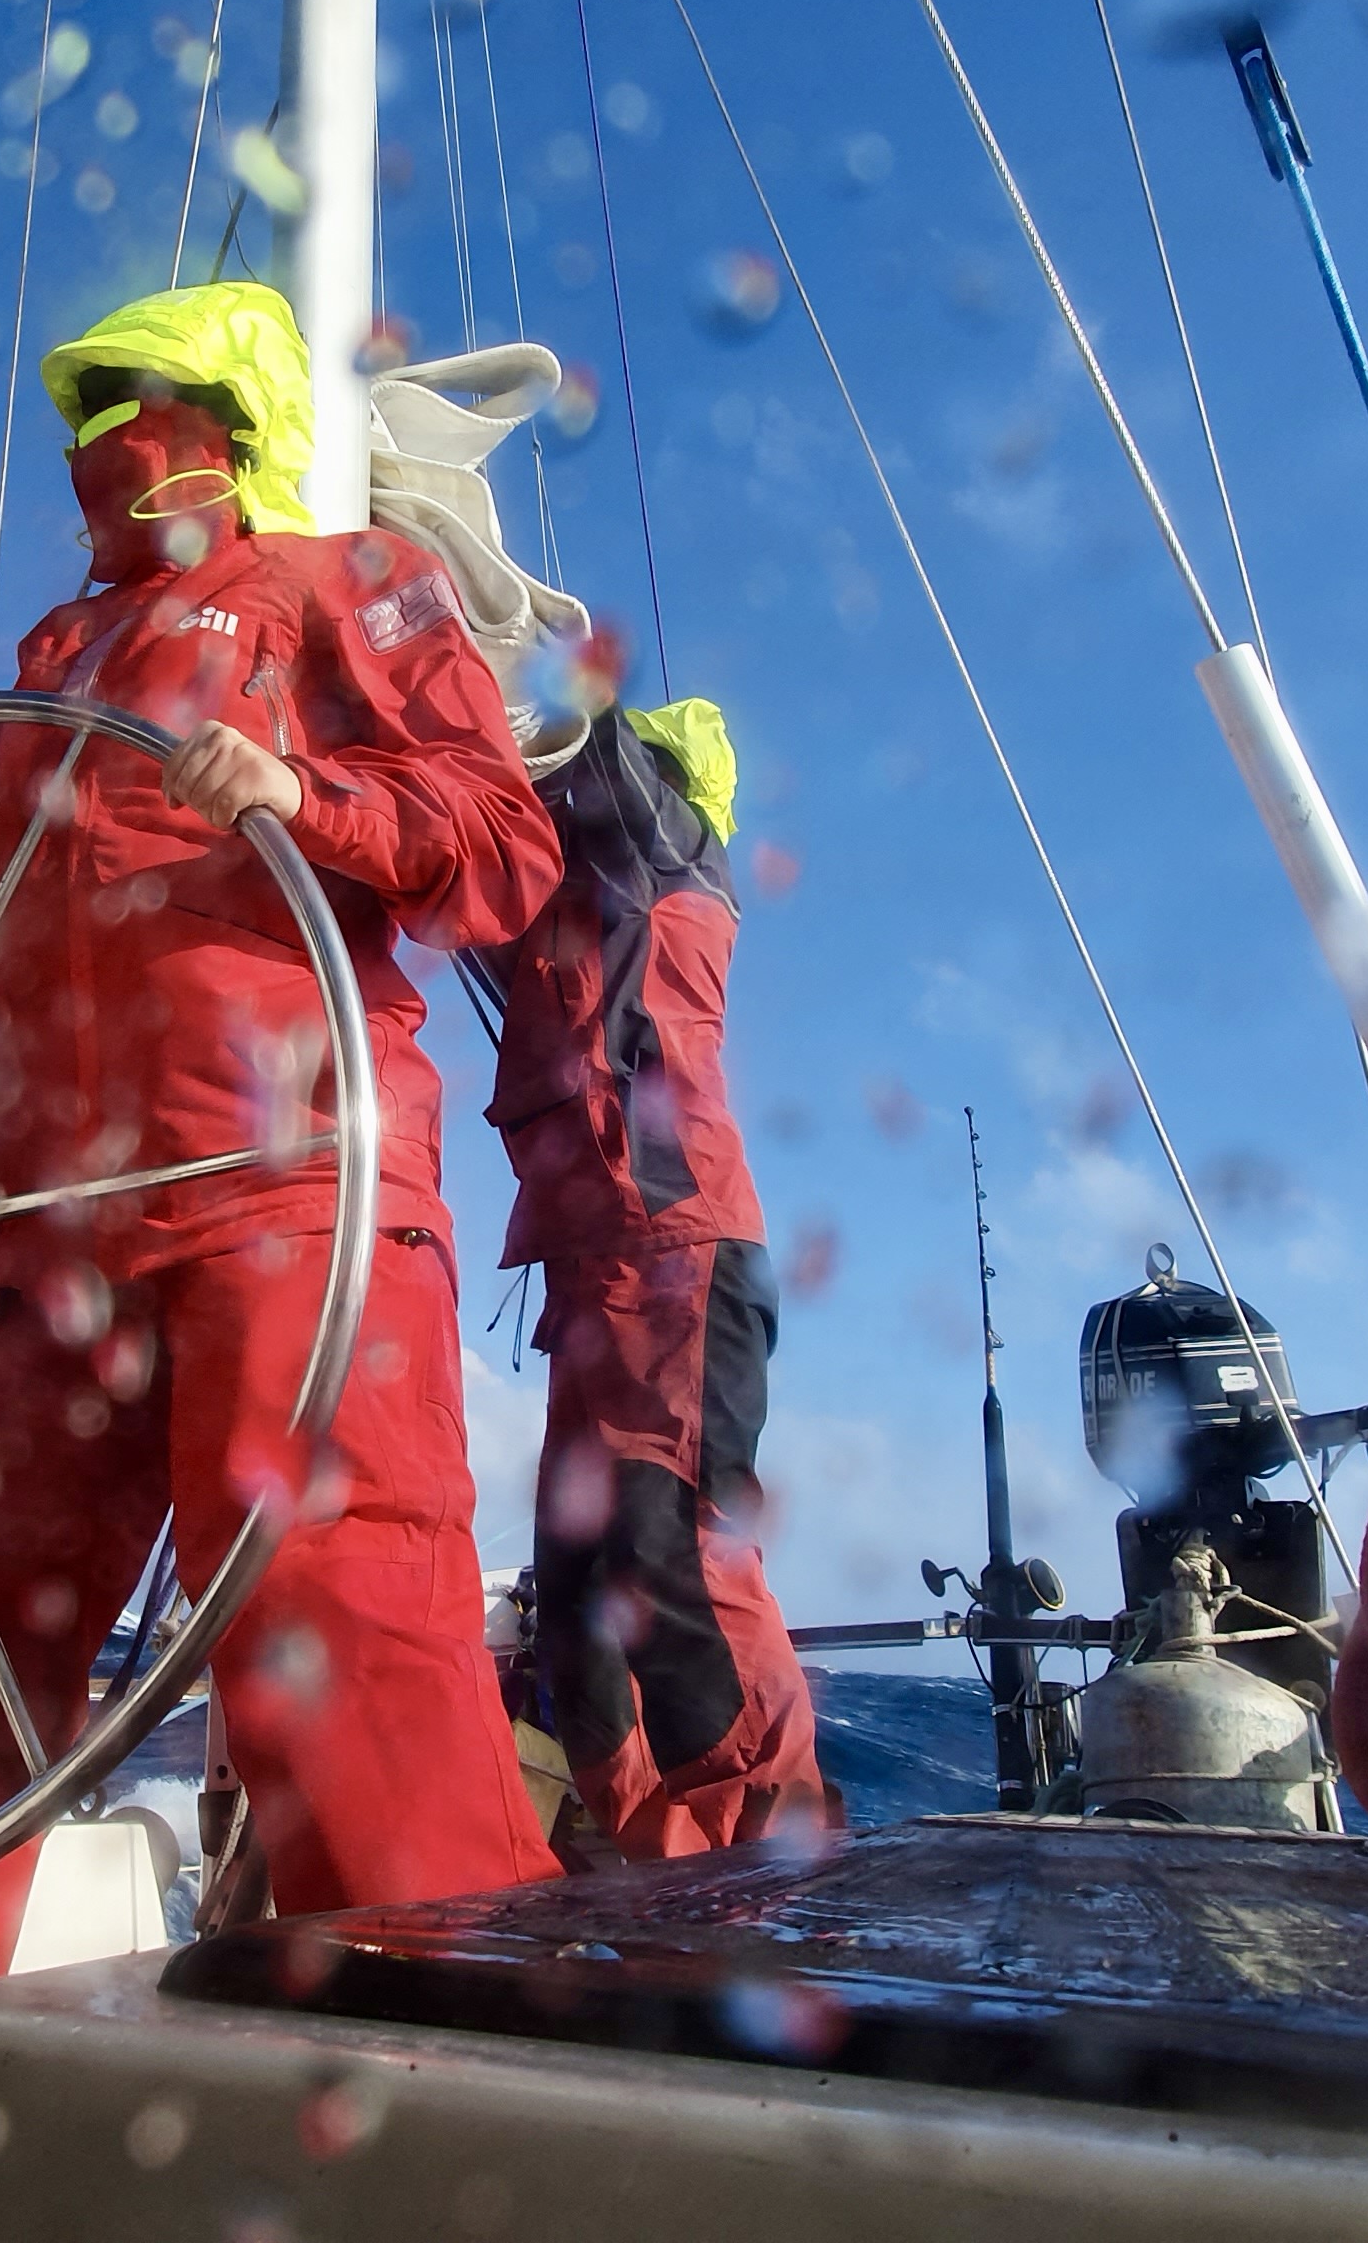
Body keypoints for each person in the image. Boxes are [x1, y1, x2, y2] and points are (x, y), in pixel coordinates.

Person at [0, 284, 563, 2242]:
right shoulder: (49, 659)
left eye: (140, 400)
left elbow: (500, 850)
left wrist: (306, 797)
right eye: (84, 405)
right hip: (44, 1243)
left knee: (347, 1674)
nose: (106, 436)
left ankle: (476, 2174)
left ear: (230, 412)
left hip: (291, 1197)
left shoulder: (355, 588)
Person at [475, 660, 840, 1858]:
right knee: (577, 1606)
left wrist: (422, 607)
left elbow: (570, 720)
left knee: (668, 1553)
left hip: (679, 1253)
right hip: (593, 1278)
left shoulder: (660, 838)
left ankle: (771, 1873)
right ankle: (657, 1873)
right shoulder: (562, 894)